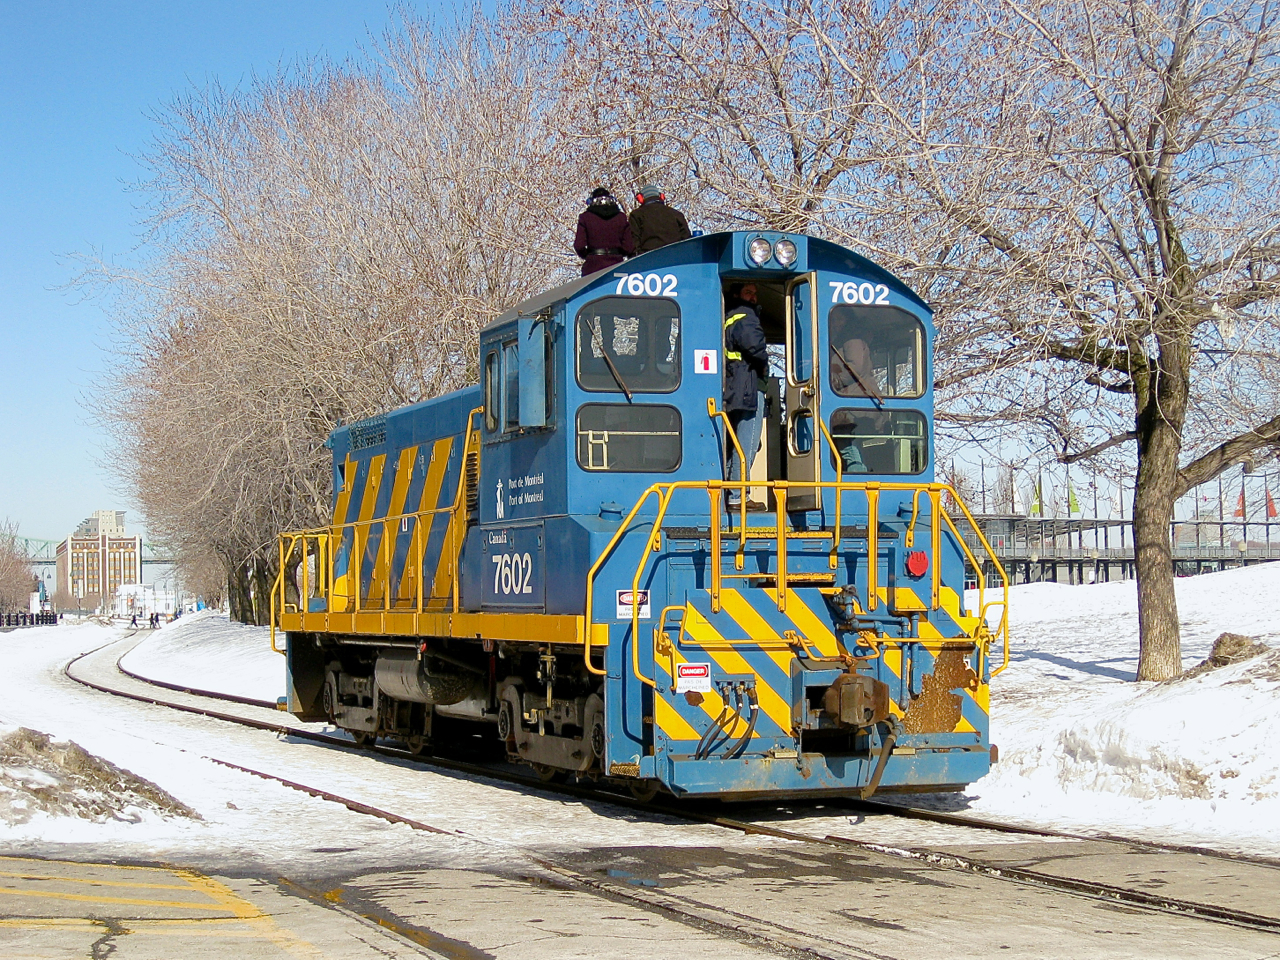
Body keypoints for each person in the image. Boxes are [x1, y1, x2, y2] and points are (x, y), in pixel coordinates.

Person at [722, 283, 769, 507]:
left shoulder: (728, 315)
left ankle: (732, 493)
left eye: (755, 292)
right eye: (748, 292)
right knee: (747, 442)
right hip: (750, 386)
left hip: (735, 386)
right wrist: (765, 364)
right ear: (737, 294)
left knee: (736, 443)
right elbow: (755, 346)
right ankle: (738, 496)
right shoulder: (745, 315)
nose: (753, 297)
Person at [575, 187, 635, 276]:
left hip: (593, 267)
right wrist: (618, 253)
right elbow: (629, 247)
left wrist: (589, 255)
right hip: (616, 265)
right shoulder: (621, 218)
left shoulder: (585, 218)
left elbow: (579, 246)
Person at [627, 184, 691, 255]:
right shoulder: (676, 214)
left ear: (641, 198)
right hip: (675, 256)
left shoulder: (636, 215)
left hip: (649, 259)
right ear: (661, 196)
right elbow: (686, 239)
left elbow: (633, 243)